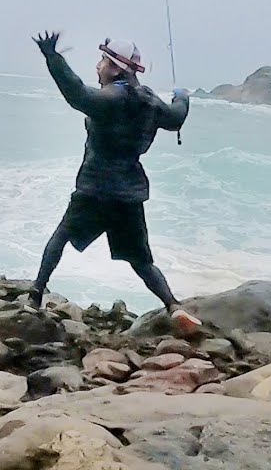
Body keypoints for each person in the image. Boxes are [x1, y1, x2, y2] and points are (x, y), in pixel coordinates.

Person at [30, 31, 201, 329]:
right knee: (142, 261)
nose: (97, 66)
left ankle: (34, 295)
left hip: (95, 188)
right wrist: (182, 96)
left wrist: (53, 58)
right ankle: (173, 306)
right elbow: (176, 118)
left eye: (102, 61)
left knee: (61, 237)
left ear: (116, 68)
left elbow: (77, 94)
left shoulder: (111, 98)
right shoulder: (150, 102)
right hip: (129, 192)